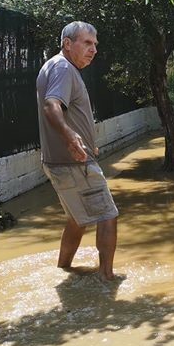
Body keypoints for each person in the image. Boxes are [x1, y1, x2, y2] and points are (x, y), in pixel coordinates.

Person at [36, 21, 119, 279]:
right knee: (107, 214)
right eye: (87, 43)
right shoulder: (63, 67)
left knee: (76, 218)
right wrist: (72, 137)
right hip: (74, 163)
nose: (93, 49)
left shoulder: (56, 66)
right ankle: (107, 279)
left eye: (95, 45)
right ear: (67, 44)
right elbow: (52, 106)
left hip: (58, 162)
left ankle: (64, 269)